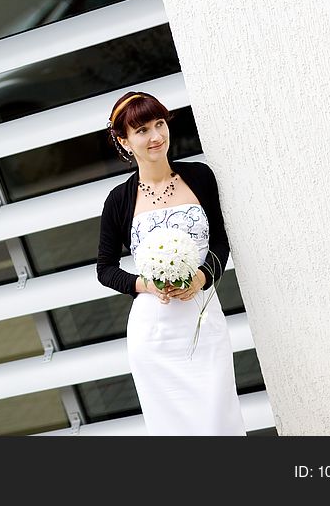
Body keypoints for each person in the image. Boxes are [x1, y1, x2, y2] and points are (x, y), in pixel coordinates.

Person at [96, 91, 245, 435]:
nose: (156, 137)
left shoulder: (200, 177)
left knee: (219, 419)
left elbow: (220, 242)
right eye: (142, 130)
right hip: (153, 334)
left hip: (203, 322)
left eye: (160, 124)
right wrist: (147, 285)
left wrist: (202, 279)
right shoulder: (119, 200)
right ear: (124, 141)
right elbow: (105, 269)